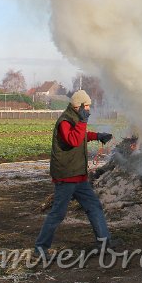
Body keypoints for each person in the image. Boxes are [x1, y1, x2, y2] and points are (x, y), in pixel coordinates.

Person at [34, 90, 114, 254]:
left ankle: (104, 243)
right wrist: (84, 121)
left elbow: (81, 135)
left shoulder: (75, 119)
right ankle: (40, 249)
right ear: (79, 106)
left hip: (78, 176)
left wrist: (98, 135)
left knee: (94, 207)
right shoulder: (65, 121)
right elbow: (73, 140)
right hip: (66, 176)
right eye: (87, 106)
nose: (89, 110)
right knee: (57, 214)